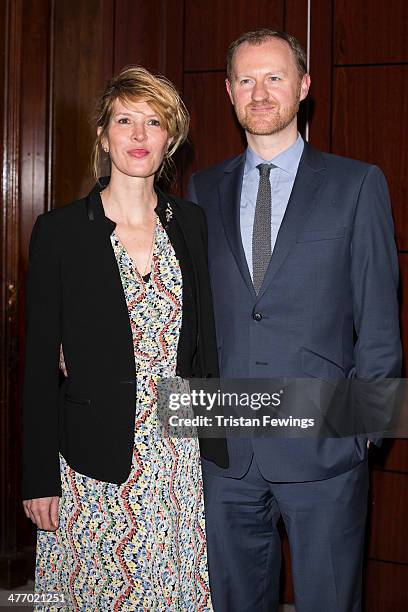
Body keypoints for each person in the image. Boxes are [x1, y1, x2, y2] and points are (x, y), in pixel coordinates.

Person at [188, 29, 401, 612]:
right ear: (230, 92)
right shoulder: (200, 189)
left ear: (304, 87)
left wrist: (364, 437)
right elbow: (188, 319)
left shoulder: (358, 184)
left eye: (275, 77)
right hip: (225, 452)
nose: (261, 92)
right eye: (247, 80)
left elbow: (381, 324)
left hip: (326, 448)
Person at [22, 65, 227, 610]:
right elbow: (39, 365)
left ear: (171, 139)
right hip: (94, 462)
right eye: (124, 120)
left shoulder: (194, 223)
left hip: (177, 460)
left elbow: (206, 344)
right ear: (103, 135)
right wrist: (37, 477)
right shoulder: (60, 231)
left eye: (154, 122)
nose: (139, 135)